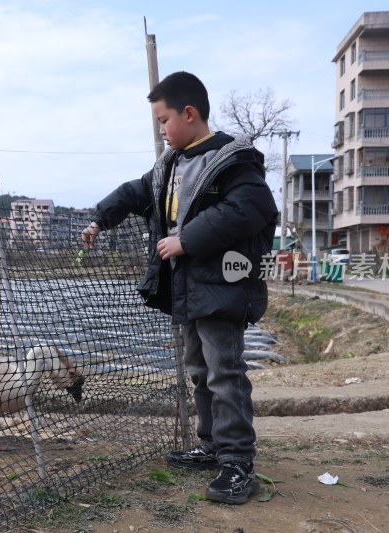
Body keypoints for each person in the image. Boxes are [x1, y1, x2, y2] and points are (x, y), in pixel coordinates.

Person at [81, 71, 278, 505]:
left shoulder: (232, 160)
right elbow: (137, 193)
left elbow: (252, 207)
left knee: (225, 373)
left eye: (163, 119)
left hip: (223, 286)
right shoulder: (170, 165)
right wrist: (100, 217)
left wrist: (186, 239)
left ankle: (237, 464)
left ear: (189, 114)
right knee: (199, 371)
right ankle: (211, 447)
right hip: (189, 289)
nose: (161, 129)